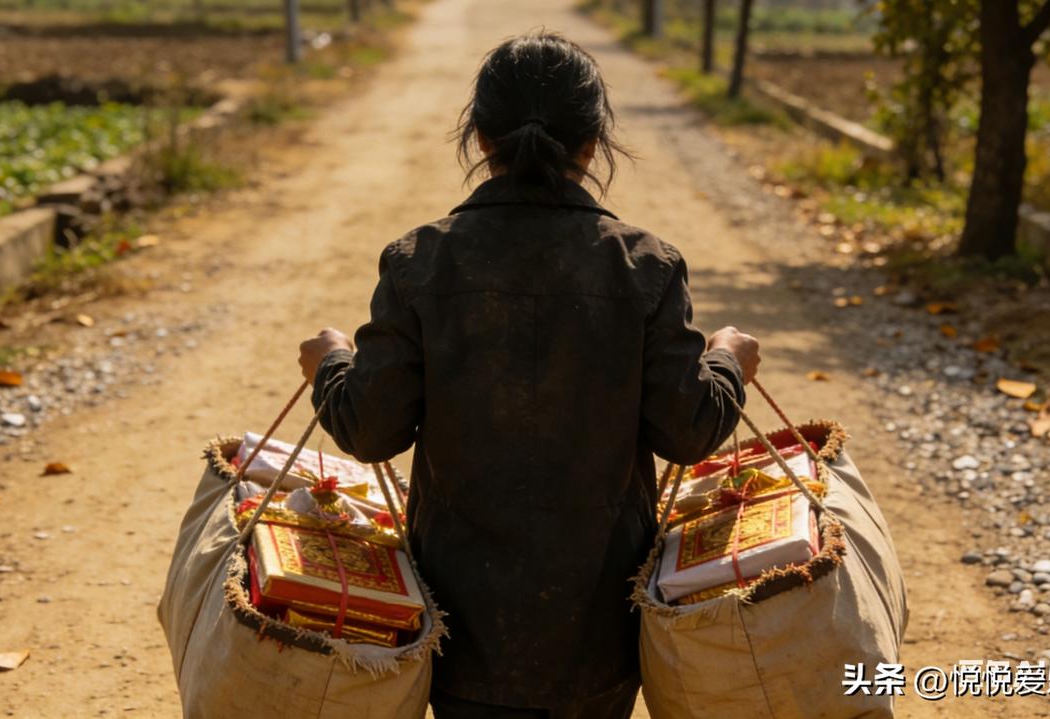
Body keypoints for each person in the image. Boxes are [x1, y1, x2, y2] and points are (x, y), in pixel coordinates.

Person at [298, 31, 759, 719]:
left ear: (481, 137)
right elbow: (688, 429)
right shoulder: (645, 265)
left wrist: (331, 362)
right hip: (601, 629)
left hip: (460, 627)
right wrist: (726, 359)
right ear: (592, 142)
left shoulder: (421, 261)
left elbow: (370, 429)